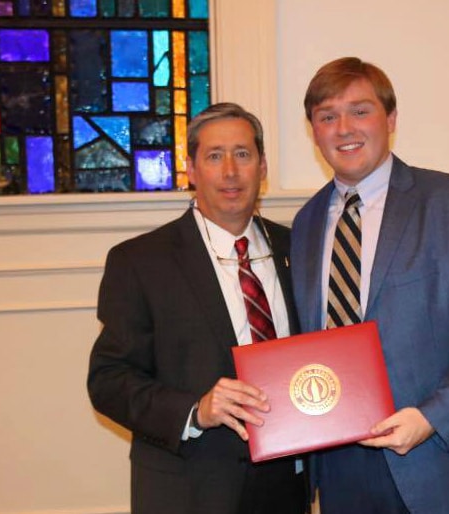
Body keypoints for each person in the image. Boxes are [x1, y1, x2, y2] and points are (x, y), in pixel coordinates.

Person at [291, 57, 449, 514]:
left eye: (360, 110)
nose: (344, 128)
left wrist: (431, 418)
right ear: (314, 131)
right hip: (342, 475)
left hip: (439, 465)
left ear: (391, 119)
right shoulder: (305, 223)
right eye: (327, 116)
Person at [88, 102, 306, 514]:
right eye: (214, 156)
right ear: (191, 168)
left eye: (243, 154)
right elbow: (108, 381)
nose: (230, 171)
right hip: (190, 490)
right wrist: (195, 410)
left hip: (287, 486)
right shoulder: (140, 261)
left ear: (262, 167)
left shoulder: (300, 248)